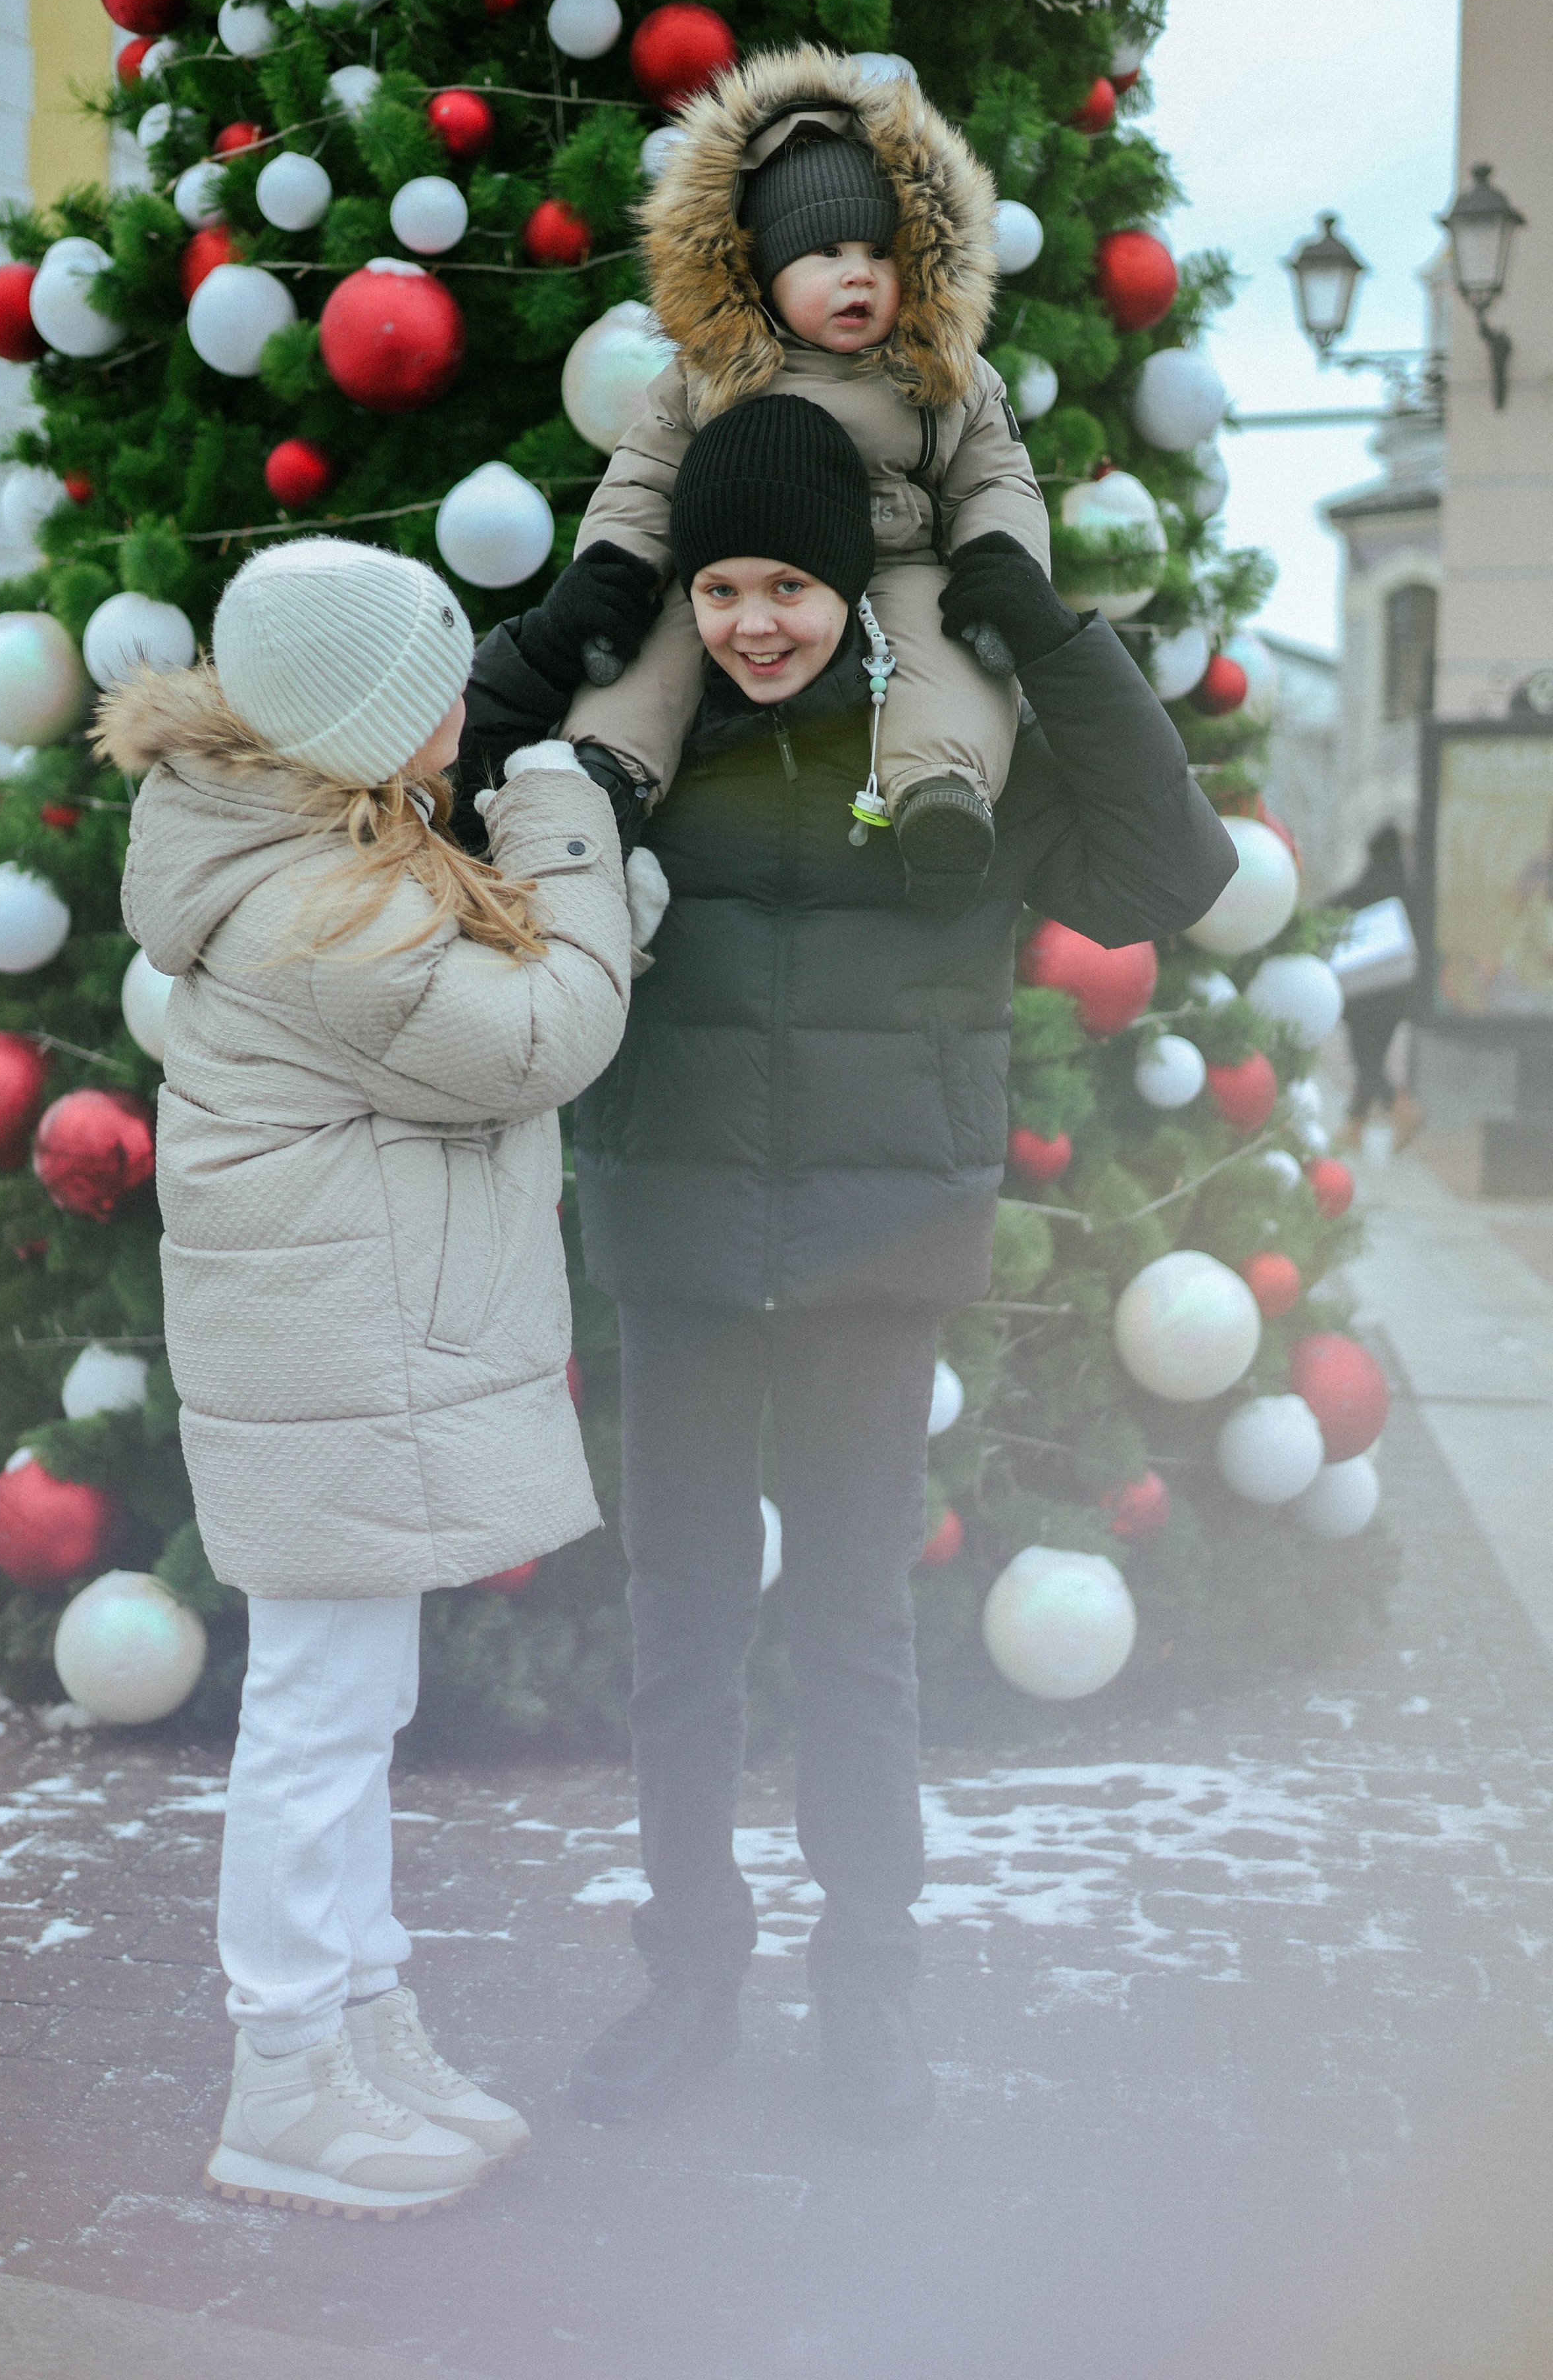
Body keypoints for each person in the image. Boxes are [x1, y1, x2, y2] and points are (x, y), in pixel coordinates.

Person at [458, 401, 1238, 2143]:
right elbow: (459, 793)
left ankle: (870, 1992)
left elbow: (1171, 872)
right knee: (682, 1632)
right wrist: (565, 622)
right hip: (679, 1247)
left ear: (843, 587)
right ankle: (691, 1982)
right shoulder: (630, 761)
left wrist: (1039, 629)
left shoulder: (951, 761)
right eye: (721, 585)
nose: (754, 621)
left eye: (790, 586)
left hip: (879, 1263)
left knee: (855, 1631)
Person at [97, 537, 634, 2220]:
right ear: (354, 725)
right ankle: (282, 2076)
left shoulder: (320, 841)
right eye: (433, 693)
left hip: (343, 1346)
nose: (464, 712)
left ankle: (359, 2020)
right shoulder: (315, 901)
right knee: (321, 1713)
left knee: (353, 1703)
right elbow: (546, 1033)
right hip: (331, 1354)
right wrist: (563, 824)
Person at [536, 43, 1051, 908]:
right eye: (824, 255)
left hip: (897, 561)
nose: (859, 274)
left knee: (943, 645)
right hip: (744, 568)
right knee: (665, 636)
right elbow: (644, 476)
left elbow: (996, 476)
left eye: (878, 254)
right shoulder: (716, 369)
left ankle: (939, 796)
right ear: (764, 274)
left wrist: (1000, 563)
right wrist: (615, 567)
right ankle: (608, 776)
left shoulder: (939, 372)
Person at [1332, 821, 1421, 1149]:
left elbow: (1333, 906)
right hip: (1398, 993)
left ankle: (1401, 1108)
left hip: (1366, 993)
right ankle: (1354, 1128)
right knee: (1373, 1060)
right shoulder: (1408, 890)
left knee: (1365, 1061)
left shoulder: (1368, 886)